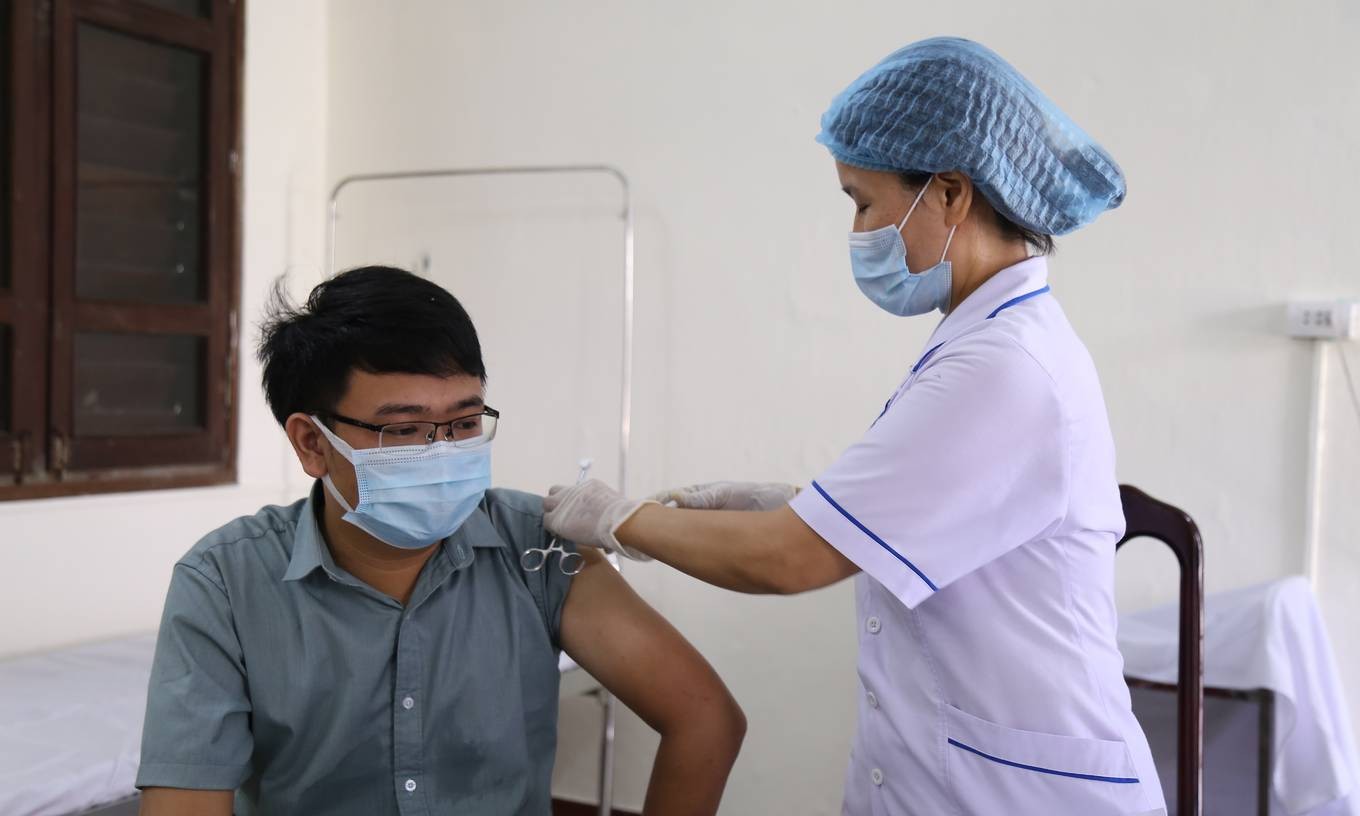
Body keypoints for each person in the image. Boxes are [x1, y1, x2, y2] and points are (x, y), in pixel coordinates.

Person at [542, 38, 1167, 816]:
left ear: (949, 193)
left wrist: (620, 519)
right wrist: (791, 502)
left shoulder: (1006, 368)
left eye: (863, 202)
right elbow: (905, 516)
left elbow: (791, 561)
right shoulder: (985, 342)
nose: (859, 230)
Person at [136, 266, 745, 816]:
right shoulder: (225, 581)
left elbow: (705, 718)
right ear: (312, 444)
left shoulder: (537, 546)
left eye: (463, 422)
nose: (443, 452)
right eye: (404, 429)